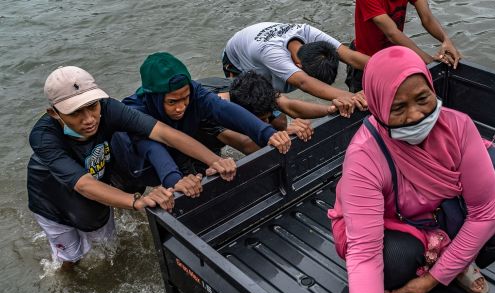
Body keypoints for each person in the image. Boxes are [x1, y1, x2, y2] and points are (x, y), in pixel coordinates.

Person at [327, 46, 495, 293]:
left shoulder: (458, 127)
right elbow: (366, 254)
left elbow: (485, 210)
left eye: (422, 99)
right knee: (393, 260)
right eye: (398, 107)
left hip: (441, 216)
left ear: (431, 87)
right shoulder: (363, 157)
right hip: (394, 227)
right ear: (378, 106)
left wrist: (432, 279)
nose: (415, 115)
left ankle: (452, 265)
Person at [28, 66, 237, 270]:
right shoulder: (44, 137)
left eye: (92, 106)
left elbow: (164, 133)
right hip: (52, 197)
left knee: (105, 246)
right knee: (70, 256)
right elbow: (84, 185)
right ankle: (66, 275)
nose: (89, 119)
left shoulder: (109, 108)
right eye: (76, 113)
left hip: (94, 178)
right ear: (54, 113)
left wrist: (214, 161)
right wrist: (136, 202)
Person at [110, 52, 294, 192]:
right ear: (154, 98)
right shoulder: (133, 112)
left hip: (179, 150)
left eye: (185, 98)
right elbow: (151, 148)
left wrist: (268, 134)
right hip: (133, 166)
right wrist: (175, 181)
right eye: (172, 102)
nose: (181, 107)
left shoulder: (194, 91)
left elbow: (223, 109)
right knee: (134, 198)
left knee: (200, 181)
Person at [222, 22, 368, 107]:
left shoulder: (308, 32)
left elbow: (351, 56)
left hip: (258, 40)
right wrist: (354, 97)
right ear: (299, 66)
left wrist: (388, 66)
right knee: (266, 112)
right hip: (237, 62)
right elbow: (304, 82)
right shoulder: (273, 54)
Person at [213, 71, 358, 154]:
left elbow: (289, 106)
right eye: (260, 120)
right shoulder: (216, 111)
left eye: (266, 118)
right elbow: (246, 145)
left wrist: (330, 109)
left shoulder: (253, 89)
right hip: (196, 133)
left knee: (280, 121)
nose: (265, 123)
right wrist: (284, 134)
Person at [346, 0, 463, 92]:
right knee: (364, 106)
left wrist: (446, 40)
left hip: (393, 58)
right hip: (365, 60)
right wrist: (429, 61)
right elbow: (392, 33)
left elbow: (427, 17)